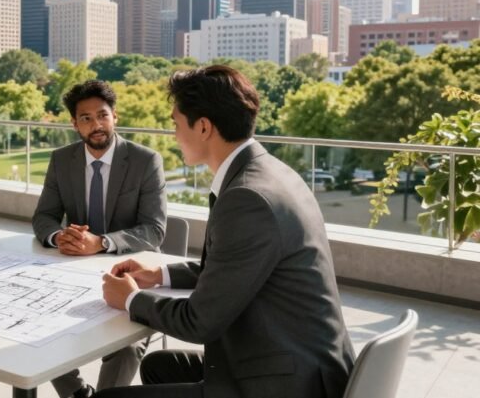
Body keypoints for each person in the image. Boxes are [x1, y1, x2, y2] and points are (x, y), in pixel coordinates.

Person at [100, 65, 355, 398]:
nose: (174, 135)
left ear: (204, 127)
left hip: (288, 384)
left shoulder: (247, 197)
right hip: (298, 360)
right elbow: (233, 267)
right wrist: (159, 275)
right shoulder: (270, 171)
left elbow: (199, 321)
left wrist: (131, 299)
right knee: (158, 366)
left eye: (176, 123)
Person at [32, 80, 167, 398]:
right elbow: (43, 217)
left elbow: (154, 229)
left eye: (102, 116)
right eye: (86, 118)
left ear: (115, 116)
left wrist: (102, 242)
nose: (96, 125)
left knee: (126, 347)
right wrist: (58, 236)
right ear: (74, 123)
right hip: (71, 272)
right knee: (34, 329)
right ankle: (78, 393)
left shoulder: (145, 161)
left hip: (132, 273)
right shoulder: (61, 160)